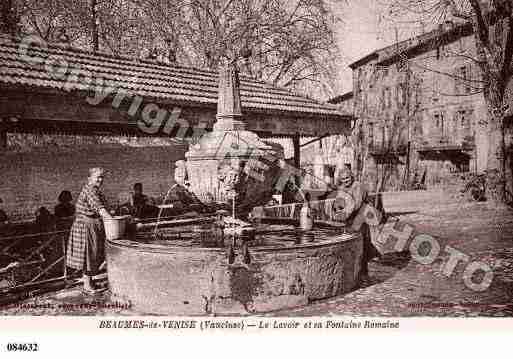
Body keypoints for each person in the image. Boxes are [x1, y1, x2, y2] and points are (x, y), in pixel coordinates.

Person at [66, 167, 112, 294]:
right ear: (89, 178)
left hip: (93, 225)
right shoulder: (90, 190)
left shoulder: (96, 191)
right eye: (98, 177)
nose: (100, 180)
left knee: (94, 253)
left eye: (102, 177)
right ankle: (87, 285)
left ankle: (89, 282)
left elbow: (104, 208)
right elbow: (100, 209)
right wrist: (113, 221)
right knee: (89, 254)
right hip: (86, 226)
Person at [332, 167, 379, 279]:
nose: (346, 180)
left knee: (362, 245)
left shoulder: (358, 186)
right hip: (349, 220)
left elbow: (356, 204)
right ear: (340, 180)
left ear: (351, 176)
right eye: (343, 179)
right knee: (351, 245)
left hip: (360, 219)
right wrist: (337, 210)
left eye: (347, 177)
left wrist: (345, 213)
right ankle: (353, 272)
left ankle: (363, 273)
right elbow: (339, 202)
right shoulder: (342, 188)